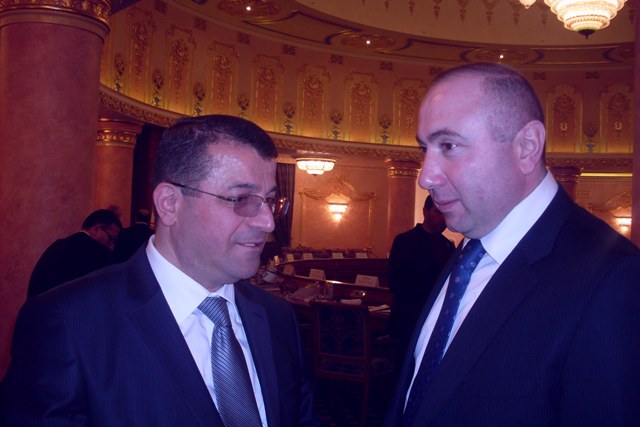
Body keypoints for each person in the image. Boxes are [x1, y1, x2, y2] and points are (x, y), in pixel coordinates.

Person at [3, 115, 320, 427]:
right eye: (241, 199)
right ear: (169, 203)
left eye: (269, 200)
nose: (268, 222)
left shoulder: (276, 316)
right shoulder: (69, 324)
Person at [383, 63, 640, 427]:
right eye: (425, 149)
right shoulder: (469, 252)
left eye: (449, 146)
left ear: (527, 147)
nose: (425, 176)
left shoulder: (613, 278)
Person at [387, 195, 455, 359]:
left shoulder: (447, 245)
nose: (442, 219)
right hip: (408, 320)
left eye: (446, 214)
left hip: (435, 319)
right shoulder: (405, 241)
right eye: (438, 212)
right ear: (425, 212)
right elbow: (396, 282)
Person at [26, 208, 122, 298]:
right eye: (111, 239)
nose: (111, 247)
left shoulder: (58, 244)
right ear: (96, 230)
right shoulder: (97, 251)